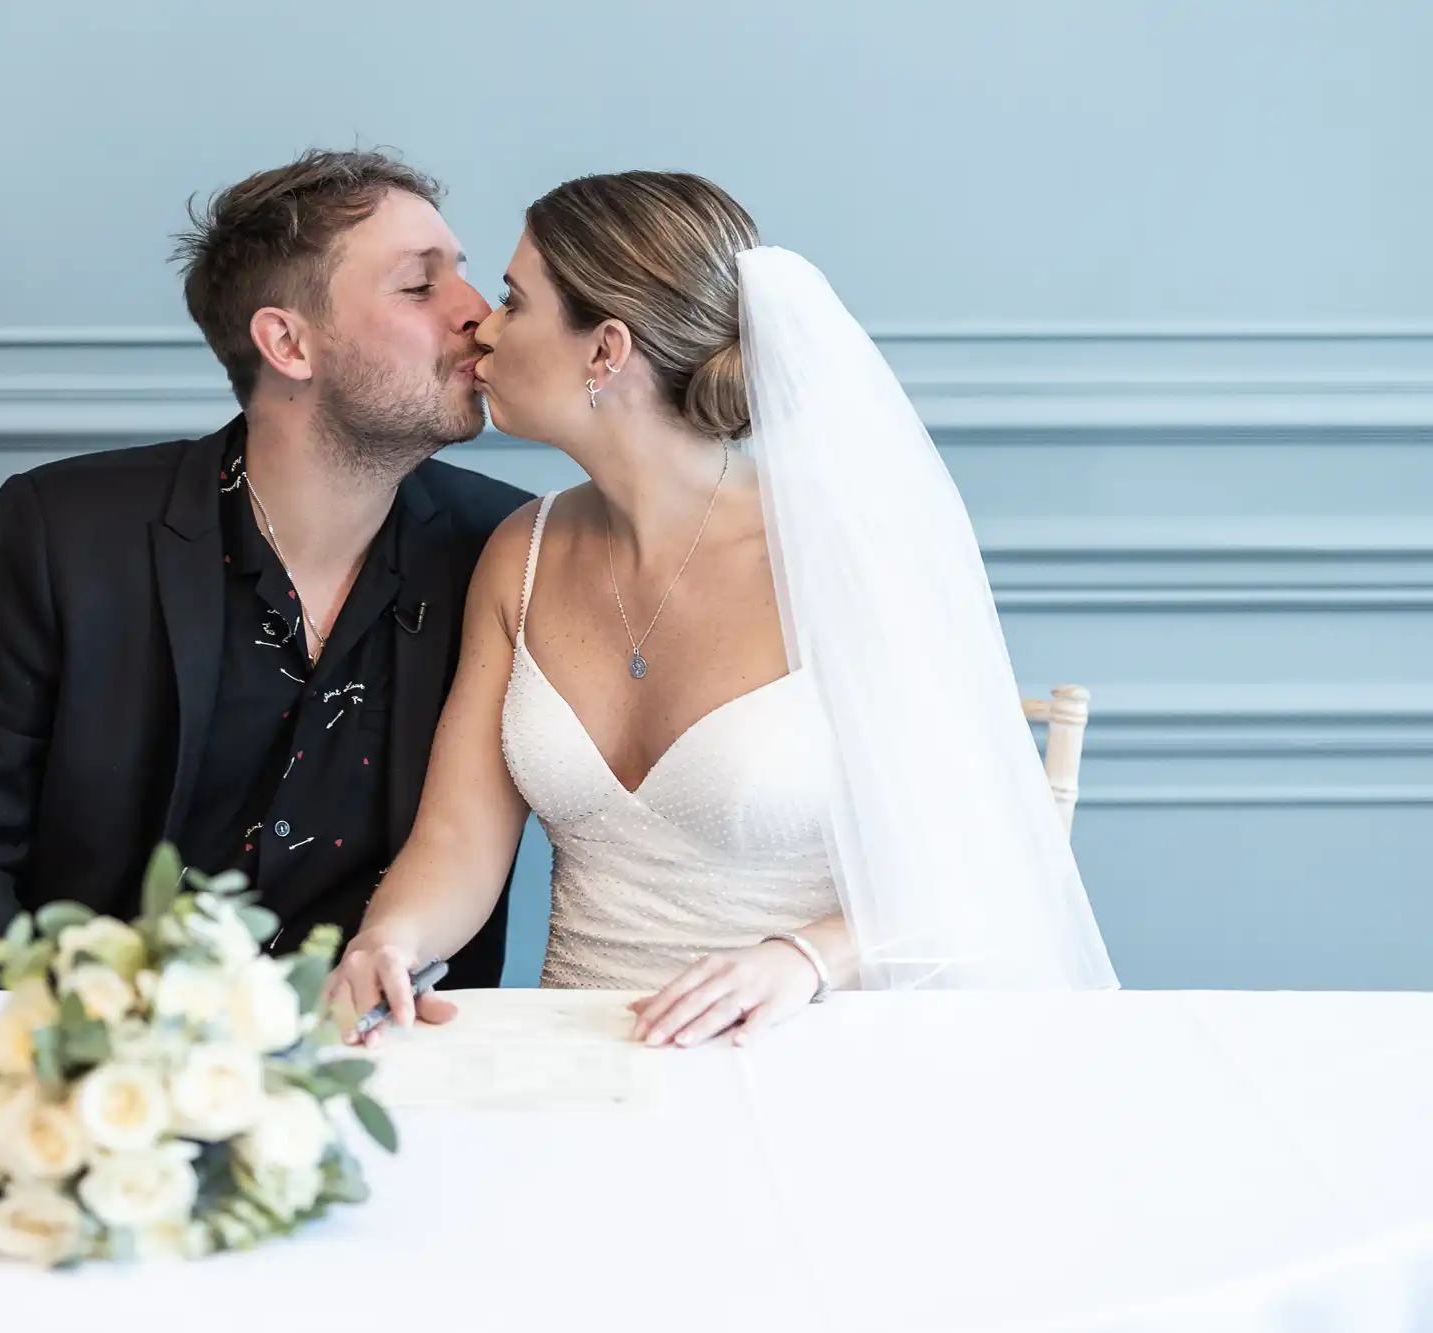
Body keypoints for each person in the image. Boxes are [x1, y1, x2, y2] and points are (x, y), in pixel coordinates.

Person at [328, 172, 1117, 1046]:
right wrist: (389, 939)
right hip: (578, 1060)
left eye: (516, 300)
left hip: (807, 1047)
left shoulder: (838, 557)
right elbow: (457, 838)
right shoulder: (520, 554)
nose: (484, 323)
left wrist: (803, 959)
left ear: (606, 351)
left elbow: (986, 859)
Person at [0, 149, 528, 991]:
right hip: (111, 1070)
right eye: (418, 285)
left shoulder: (504, 545)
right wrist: (75, 1052)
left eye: (465, 276)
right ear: (288, 342)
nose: (478, 314)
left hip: (403, 1067)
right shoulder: (65, 532)